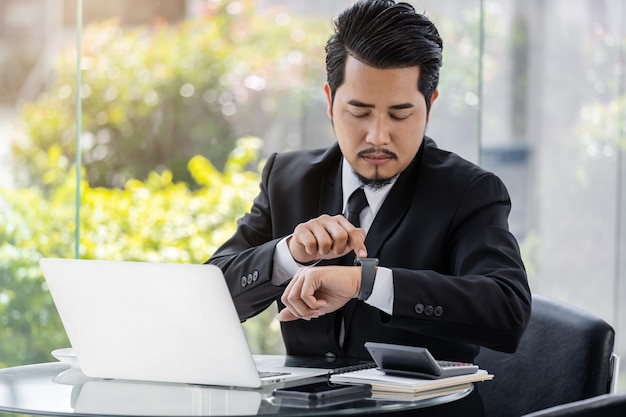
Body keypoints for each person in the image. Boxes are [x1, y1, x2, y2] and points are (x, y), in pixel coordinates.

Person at [207, 0, 531, 364]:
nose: (378, 136)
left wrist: (368, 283)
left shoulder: (469, 192)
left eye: (400, 114)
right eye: (358, 112)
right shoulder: (287, 177)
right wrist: (288, 254)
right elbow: (205, 299)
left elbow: (507, 310)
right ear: (330, 102)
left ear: (430, 106)